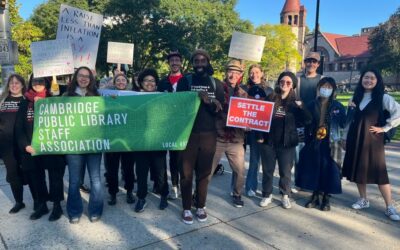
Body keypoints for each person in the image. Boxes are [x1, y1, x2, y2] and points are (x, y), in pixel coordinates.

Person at [342, 69, 400, 221]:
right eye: (366, 77)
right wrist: (345, 137)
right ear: (361, 79)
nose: (368, 80)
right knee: (359, 169)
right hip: (356, 138)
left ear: (377, 80)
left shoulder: (383, 97)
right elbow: (350, 120)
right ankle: (363, 199)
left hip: (373, 141)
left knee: (380, 173)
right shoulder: (357, 97)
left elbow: (398, 112)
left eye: (372, 78)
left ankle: (389, 207)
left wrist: (385, 128)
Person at [176, 49, 224, 224]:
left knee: (204, 174)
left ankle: (201, 206)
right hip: (188, 135)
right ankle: (187, 208)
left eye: (203, 60)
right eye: (196, 61)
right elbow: (177, 104)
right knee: (186, 173)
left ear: (208, 62)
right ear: (192, 63)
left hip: (208, 135)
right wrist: (195, 96)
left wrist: (211, 102)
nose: (199, 64)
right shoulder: (184, 81)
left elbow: (219, 110)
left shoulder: (216, 83)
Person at [256, 71, 311, 209]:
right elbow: (261, 117)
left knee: (285, 171)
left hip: (287, 142)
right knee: (267, 170)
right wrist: (260, 136)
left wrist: (302, 107)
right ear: (278, 83)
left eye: (288, 82)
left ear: (292, 85)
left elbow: (308, 120)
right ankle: (266, 195)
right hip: (269, 141)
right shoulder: (271, 97)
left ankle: (285, 195)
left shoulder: (296, 102)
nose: (284, 84)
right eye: (282, 81)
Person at [15, 75, 66, 221]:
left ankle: (57, 206)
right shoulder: (25, 102)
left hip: (52, 146)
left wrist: (47, 103)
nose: (37, 84)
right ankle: (42, 205)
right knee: (37, 178)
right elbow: (19, 127)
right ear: (30, 83)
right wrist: (26, 145)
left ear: (47, 83)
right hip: (33, 148)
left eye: (41, 81)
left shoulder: (55, 99)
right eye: (34, 81)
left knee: (55, 177)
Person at [295, 77, 346, 211]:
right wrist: (301, 109)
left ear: (333, 89)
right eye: (324, 86)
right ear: (318, 88)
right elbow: (306, 121)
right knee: (314, 168)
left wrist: (351, 110)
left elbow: (343, 123)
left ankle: (326, 198)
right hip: (315, 141)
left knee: (329, 169)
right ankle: (315, 195)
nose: (326, 89)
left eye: (329, 87)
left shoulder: (338, 106)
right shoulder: (312, 104)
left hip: (331, 142)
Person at [64, 66, 103, 224]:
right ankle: (74, 211)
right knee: (74, 180)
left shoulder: (97, 96)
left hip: (93, 144)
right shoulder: (66, 96)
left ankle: (95, 210)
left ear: (91, 79)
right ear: (76, 77)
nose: (84, 78)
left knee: (95, 179)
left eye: (87, 76)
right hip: (73, 145)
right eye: (81, 75)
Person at [208, 59, 248, 207]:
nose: (233, 75)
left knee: (240, 171)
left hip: (236, 139)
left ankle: (237, 194)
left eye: (236, 72)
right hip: (218, 137)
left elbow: (248, 114)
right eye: (230, 71)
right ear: (226, 72)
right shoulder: (217, 88)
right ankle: (198, 194)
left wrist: (248, 125)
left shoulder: (243, 93)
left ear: (240, 75)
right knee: (208, 171)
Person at [134, 68, 169, 212]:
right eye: (146, 80)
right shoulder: (132, 97)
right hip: (141, 143)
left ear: (156, 83)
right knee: (141, 172)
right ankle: (141, 198)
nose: (149, 83)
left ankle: (164, 195)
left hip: (157, 141)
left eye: (152, 80)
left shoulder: (162, 97)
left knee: (160, 172)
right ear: (141, 83)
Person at [0, 74, 30, 214]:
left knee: (28, 172)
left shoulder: (27, 100)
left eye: (17, 83)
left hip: (24, 143)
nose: (14, 85)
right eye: (11, 83)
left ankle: (38, 200)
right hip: (6, 144)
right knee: (12, 174)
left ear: (22, 85)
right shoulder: (2, 100)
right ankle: (19, 202)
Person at [105, 74, 136, 206]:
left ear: (127, 82)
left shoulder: (132, 95)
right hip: (112, 139)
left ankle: (129, 191)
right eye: (118, 80)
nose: (121, 82)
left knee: (128, 169)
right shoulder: (106, 94)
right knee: (112, 169)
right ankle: (112, 193)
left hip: (128, 139)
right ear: (114, 82)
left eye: (123, 80)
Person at [158, 51, 184, 199]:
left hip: (180, 126)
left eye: (177, 60)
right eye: (172, 60)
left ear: (180, 63)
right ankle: (162, 186)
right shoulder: (163, 82)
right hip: (164, 125)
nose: (174, 63)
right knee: (161, 158)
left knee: (177, 158)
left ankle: (176, 185)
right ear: (169, 63)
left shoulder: (187, 81)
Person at [243, 64, 273, 197]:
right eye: (251, 72)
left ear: (262, 73)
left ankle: (267, 190)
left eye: (257, 72)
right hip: (246, 129)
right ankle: (250, 187)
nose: (254, 74)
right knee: (252, 161)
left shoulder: (269, 91)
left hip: (262, 131)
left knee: (259, 160)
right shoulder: (244, 89)